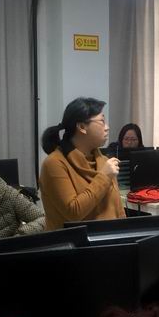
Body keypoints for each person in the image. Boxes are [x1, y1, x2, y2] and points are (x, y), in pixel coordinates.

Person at [39, 97, 125, 231]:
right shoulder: (54, 163)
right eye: (102, 121)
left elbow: (118, 210)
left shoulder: (103, 161)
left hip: (109, 239)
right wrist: (104, 177)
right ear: (82, 127)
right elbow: (74, 212)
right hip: (74, 242)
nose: (107, 128)